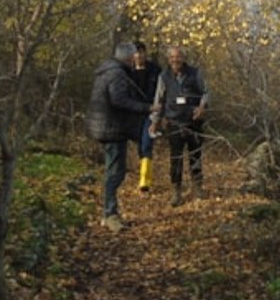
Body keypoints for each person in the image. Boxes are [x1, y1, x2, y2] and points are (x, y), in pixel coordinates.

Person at [86, 41, 159, 232]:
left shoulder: (108, 70)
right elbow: (119, 100)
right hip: (111, 129)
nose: (135, 59)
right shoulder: (117, 73)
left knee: (114, 171)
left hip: (106, 127)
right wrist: (147, 107)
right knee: (115, 173)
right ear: (128, 57)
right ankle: (109, 214)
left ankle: (110, 211)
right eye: (133, 56)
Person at [149, 45, 210, 207]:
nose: (176, 60)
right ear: (168, 59)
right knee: (175, 158)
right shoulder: (164, 76)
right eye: (172, 57)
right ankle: (176, 191)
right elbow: (159, 99)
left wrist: (202, 107)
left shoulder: (195, 73)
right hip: (174, 122)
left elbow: (206, 92)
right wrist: (155, 121)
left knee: (195, 156)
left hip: (193, 122)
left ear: (183, 58)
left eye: (178, 57)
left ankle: (197, 187)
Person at [130, 41, 163, 194]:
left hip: (151, 112)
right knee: (139, 146)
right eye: (136, 52)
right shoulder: (127, 71)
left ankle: (145, 181)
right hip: (133, 114)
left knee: (146, 144)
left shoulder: (155, 71)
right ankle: (142, 173)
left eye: (142, 52)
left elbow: (161, 93)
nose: (139, 55)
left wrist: (159, 114)